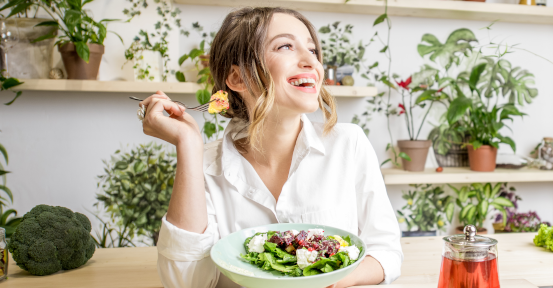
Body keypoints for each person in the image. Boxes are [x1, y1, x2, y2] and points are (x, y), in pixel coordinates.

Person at [136, 7, 403, 288]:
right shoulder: (201, 163)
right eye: (286, 46)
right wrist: (188, 144)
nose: (310, 61)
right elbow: (185, 282)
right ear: (237, 78)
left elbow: (386, 253)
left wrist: (322, 281)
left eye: (312, 50)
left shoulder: (349, 144)